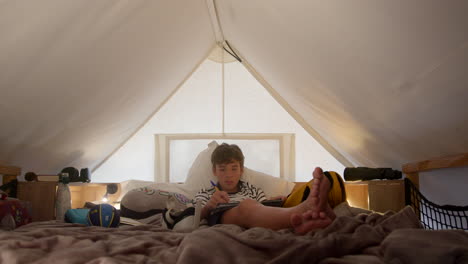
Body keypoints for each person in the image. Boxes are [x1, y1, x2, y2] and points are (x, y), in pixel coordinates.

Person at [194, 143, 345, 235]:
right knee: (246, 205)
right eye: (222, 169)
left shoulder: (253, 190)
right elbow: (194, 218)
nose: (229, 175)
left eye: (234, 169)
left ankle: (305, 218)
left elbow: (262, 210)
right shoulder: (206, 193)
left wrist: (273, 202)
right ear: (214, 171)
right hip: (223, 217)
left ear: (241, 171)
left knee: (255, 205)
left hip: (255, 216)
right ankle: (304, 209)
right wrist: (208, 206)